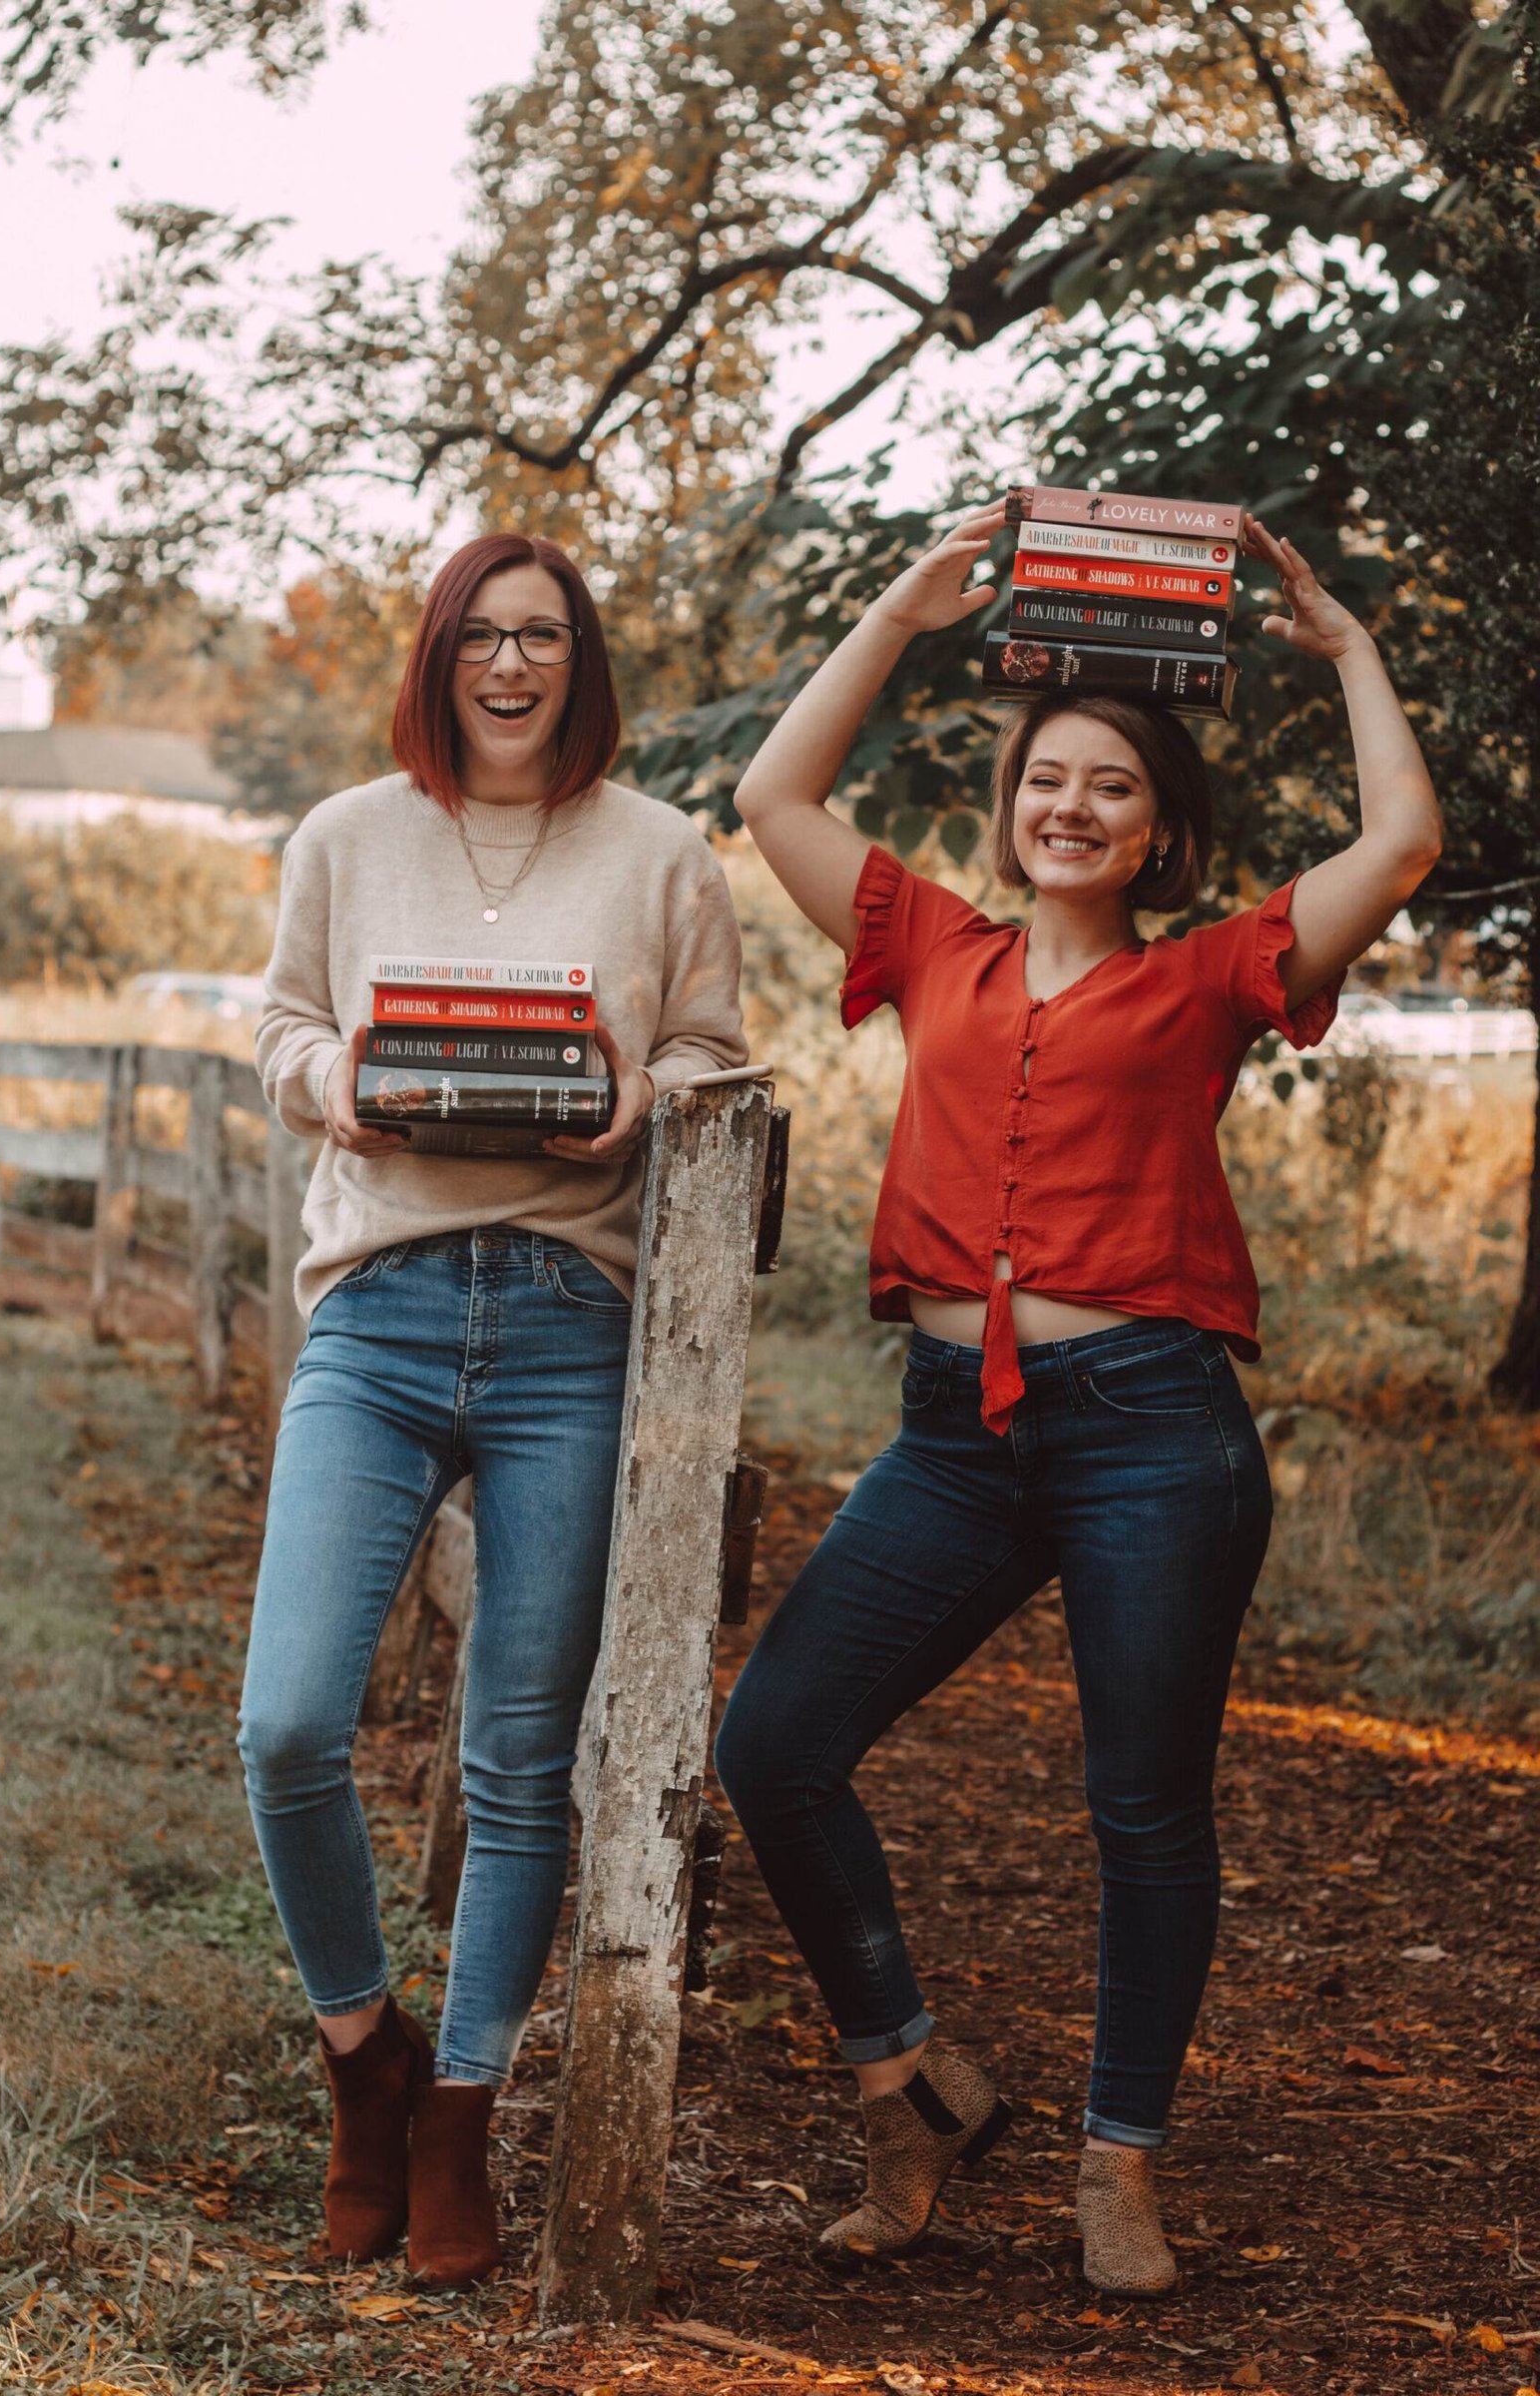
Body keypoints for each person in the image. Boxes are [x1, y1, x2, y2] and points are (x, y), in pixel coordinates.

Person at [714, 498, 1441, 2293]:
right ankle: (911, 2086)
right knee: (776, 1746)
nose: (1074, 807)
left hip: (1152, 1441)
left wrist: (1343, 644)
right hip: (948, 1440)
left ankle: (1120, 2164)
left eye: (1114, 788)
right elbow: (770, 804)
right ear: (1013, 797)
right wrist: (901, 609)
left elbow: (1404, 840)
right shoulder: (929, 948)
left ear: (1161, 829)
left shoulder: (1217, 976)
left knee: (1143, 1810)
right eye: (1050, 777)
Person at [243, 532, 746, 2286]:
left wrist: (633, 1111)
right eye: (483, 637)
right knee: (287, 1724)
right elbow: (286, 1031)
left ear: (578, 660)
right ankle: (358, 2054)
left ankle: (459, 2112)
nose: (513, 666)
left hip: (565, 1324)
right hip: (375, 1316)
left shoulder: (664, 850)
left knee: (526, 1754)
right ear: (441, 655)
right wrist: (345, 1087)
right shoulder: (347, 835)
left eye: (544, 637)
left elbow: (711, 1057)